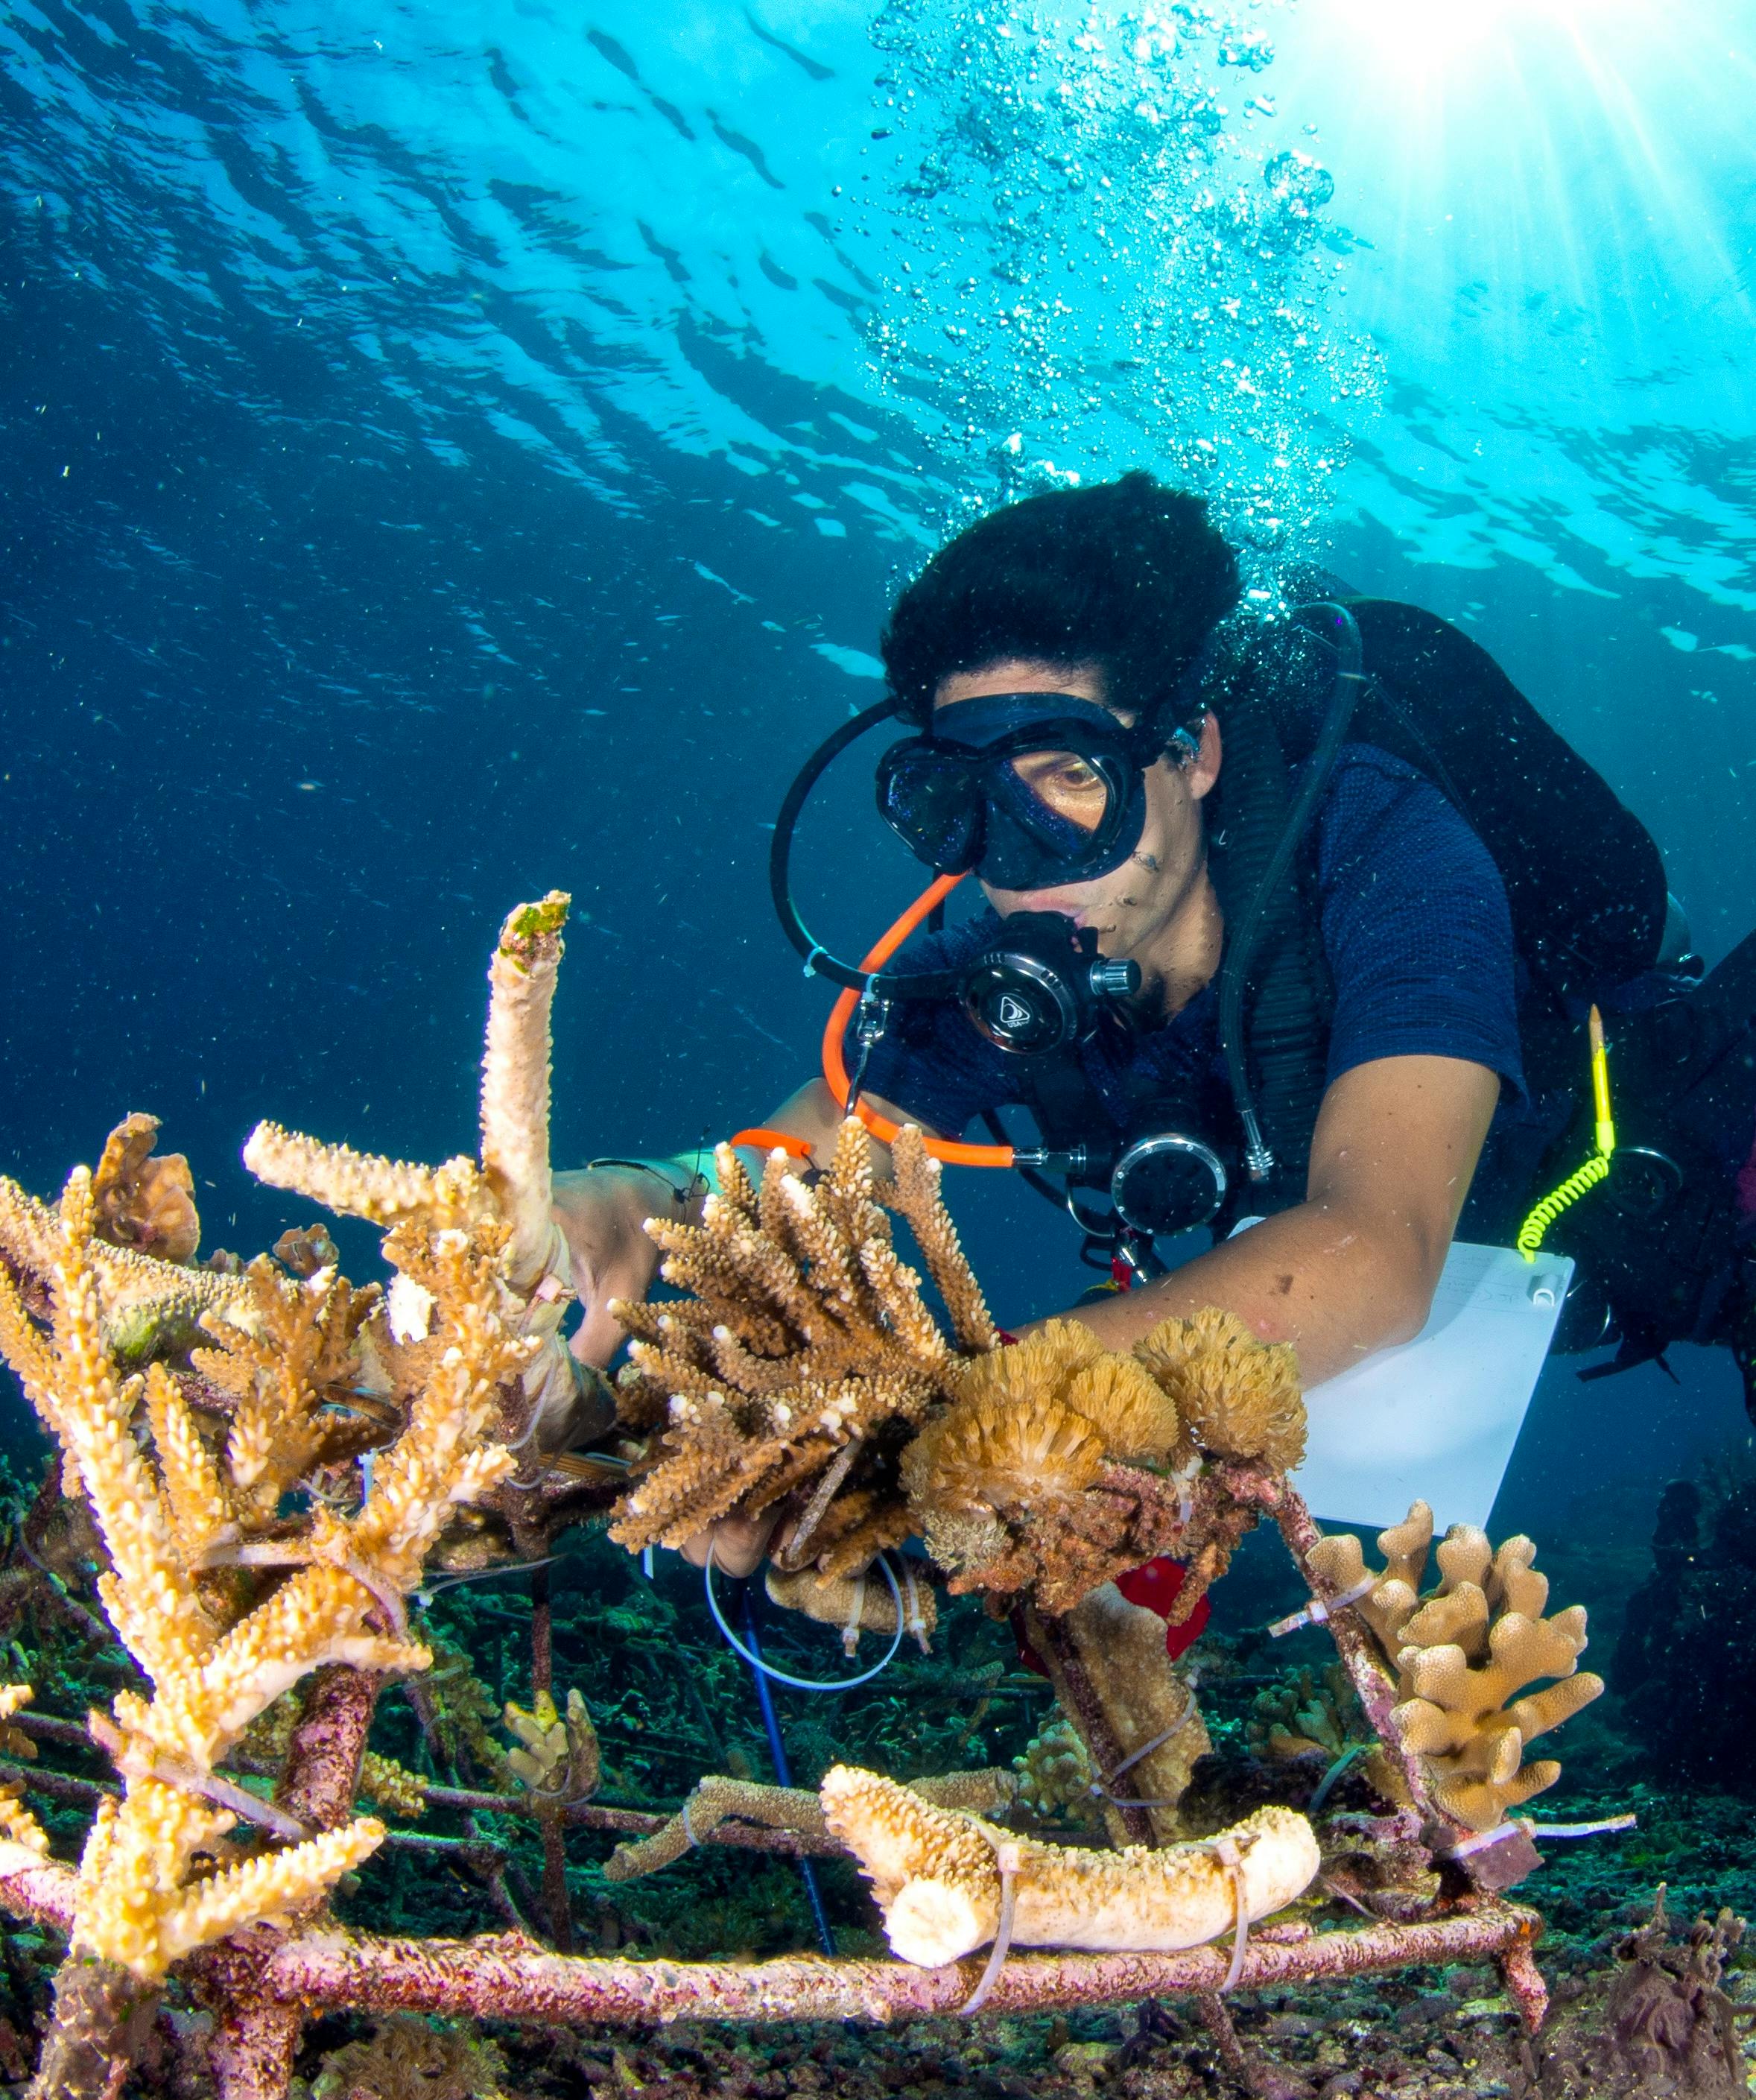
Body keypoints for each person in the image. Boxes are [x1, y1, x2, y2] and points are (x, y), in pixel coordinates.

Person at [554, 473, 1756, 1571]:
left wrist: (959, 1421)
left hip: (1679, 1192)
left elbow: (1376, 1254)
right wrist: (643, 1202)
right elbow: (809, 1158)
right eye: (959, 804)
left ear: (1188, 752)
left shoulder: (1384, 853)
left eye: (1069, 777)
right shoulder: (1006, 958)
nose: (1019, 871)